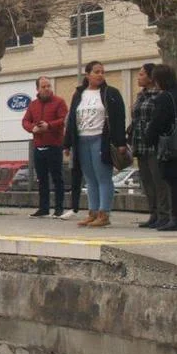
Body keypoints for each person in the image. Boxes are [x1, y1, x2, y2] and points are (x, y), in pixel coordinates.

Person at [63, 60, 127, 228]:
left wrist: (120, 142)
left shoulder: (110, 93)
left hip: (100, 139)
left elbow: (119, 118)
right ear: (87, 75)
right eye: (96, 72)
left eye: (102, 72)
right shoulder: (79, 94)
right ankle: (93, 212)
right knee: (90, 178)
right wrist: (67, 143)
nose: (100, 75)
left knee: (103, 176)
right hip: (82, 139)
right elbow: (72, 119)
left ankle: (104, 213)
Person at [145, 64, 177, 231]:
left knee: (173, 182)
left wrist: (148, 138)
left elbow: (157, 122)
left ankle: (176, 218)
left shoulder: (164, 98)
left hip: (170, 145)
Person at [128, 63, 169, 229]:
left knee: (159, 180)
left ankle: (164, 214)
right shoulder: (141, 96)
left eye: (141, 74)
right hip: (140, 143)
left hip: (154, 144)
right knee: (147, 181)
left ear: (151, 77)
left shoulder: (159, 95)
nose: (138, 77)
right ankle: (153, 213)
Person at [21, 76, 69, 219]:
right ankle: (43, 208)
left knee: (57, 178)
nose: (47, 89)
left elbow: (64, 119)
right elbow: (25, 121)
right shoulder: (33, 105)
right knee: (41, 179)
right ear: (38, 89)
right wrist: (32, 128)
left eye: (48, 86)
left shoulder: (59, 102)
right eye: (43, 86)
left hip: (54, 145)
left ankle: (59, 208)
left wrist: (49, 126)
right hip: (38, 146)